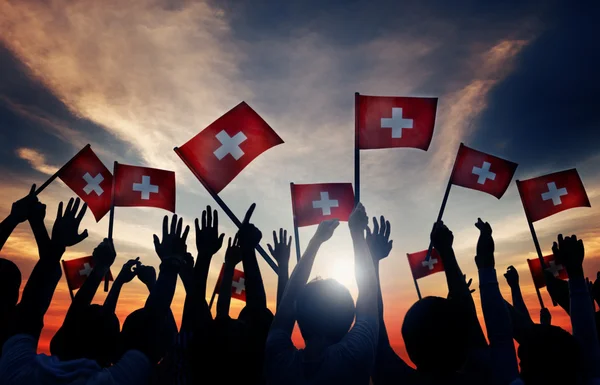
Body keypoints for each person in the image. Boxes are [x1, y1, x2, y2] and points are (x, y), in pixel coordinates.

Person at [265, 203, 379, 385]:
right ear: (349, 318)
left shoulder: (278, 360)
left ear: (299, 317)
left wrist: (316, 241)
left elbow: (288, 301)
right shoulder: (355, 356)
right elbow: (368, 292)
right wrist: (357, 233)